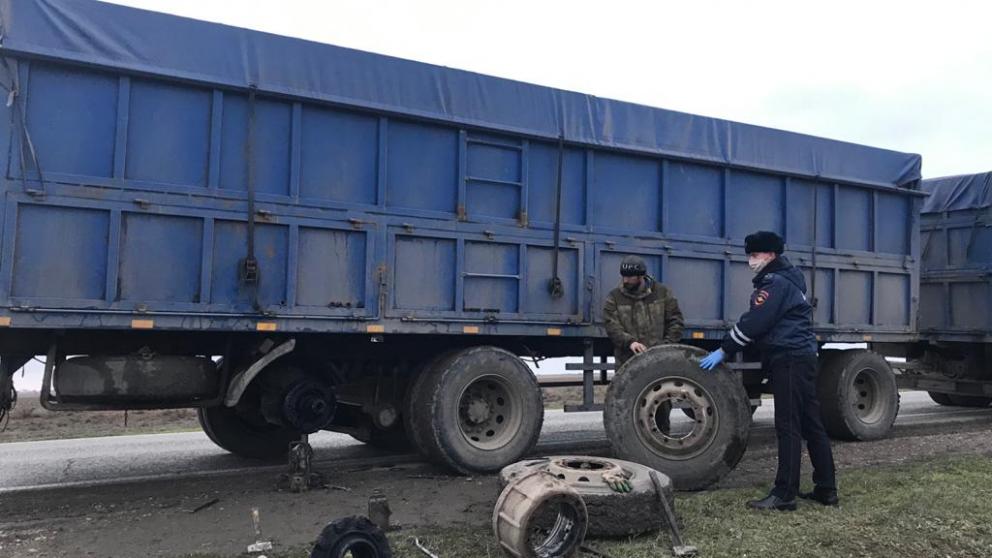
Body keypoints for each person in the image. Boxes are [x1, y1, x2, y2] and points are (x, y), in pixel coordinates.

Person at [699, 231, 837, 511]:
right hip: (802, 356)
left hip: (788, 358)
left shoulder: (775, 283)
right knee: (811, 424)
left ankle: (784, 494)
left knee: (788, 427)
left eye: (755, 255)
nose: (750, 261)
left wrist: (724, 349)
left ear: (770, 255)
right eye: (749, 255)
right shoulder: (788, 279)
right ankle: (826, 489)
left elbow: (755, 322)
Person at [603, 255, 685, 365]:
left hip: (659, 361)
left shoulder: (662, 293)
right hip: (627, 361)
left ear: (640, 276)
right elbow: (611, 326)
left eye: (630, 277)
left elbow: (676, 322)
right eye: (624, 276)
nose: (625, 280)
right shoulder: (614, 297)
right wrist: (630, 343)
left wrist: (664, 348)